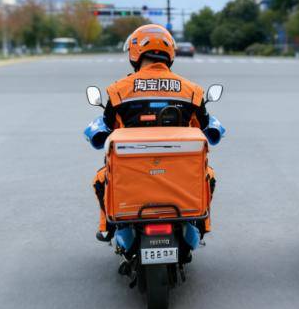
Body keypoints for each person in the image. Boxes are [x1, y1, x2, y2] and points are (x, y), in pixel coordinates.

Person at [91, 24, 213, 238]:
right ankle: (201, 225)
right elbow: (203, 124)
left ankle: (108, 229)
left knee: (101, 179)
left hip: (132, 170)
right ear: (170, 53)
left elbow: (108, 125)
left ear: (135, 52)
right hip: (180, 170)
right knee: (208, 175)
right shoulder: (192, 91)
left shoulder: (119, 90)